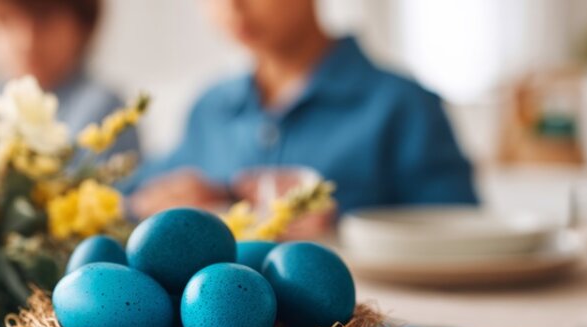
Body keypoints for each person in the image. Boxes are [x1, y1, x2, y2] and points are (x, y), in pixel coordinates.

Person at [126, 0, 478, 230]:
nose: (233, 6)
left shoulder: (403, 106)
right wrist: (160, 200)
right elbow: (126, 194)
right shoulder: (211, 110)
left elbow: (462, 233)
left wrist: (339, 223)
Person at [0, 0, 140, 159]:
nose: (25, 40)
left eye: (43, 19)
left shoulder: (105, 111)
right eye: (5, 20)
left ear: (83, 26)